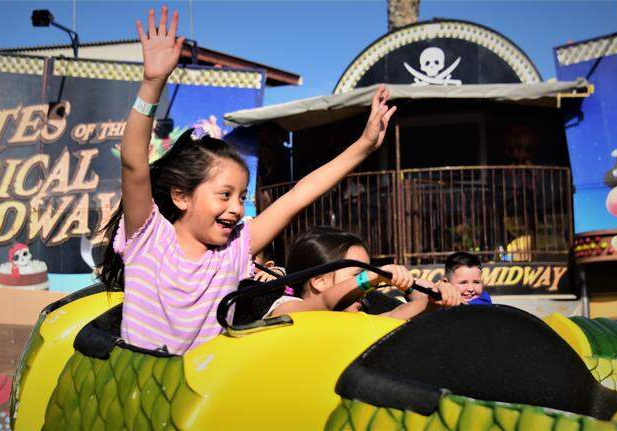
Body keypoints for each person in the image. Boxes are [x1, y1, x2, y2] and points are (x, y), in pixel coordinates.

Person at [98, 5, 399, 354]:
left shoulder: (233, 250)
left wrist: (363, 146)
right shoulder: (149, 237)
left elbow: (299, 195)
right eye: (225, 195)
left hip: (197, 393)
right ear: (181, 196)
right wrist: (153, 83)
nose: (236, 208)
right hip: (138, 386)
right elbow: (134, 163)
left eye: (241, 197)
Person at [265, 226, 461, 319]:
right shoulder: (286, 308)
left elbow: (394, 315)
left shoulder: (355, 313)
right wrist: (373, 276)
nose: (366, 284)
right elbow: (323, 302)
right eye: (358, 273)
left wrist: (431, 303)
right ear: (320, 281)